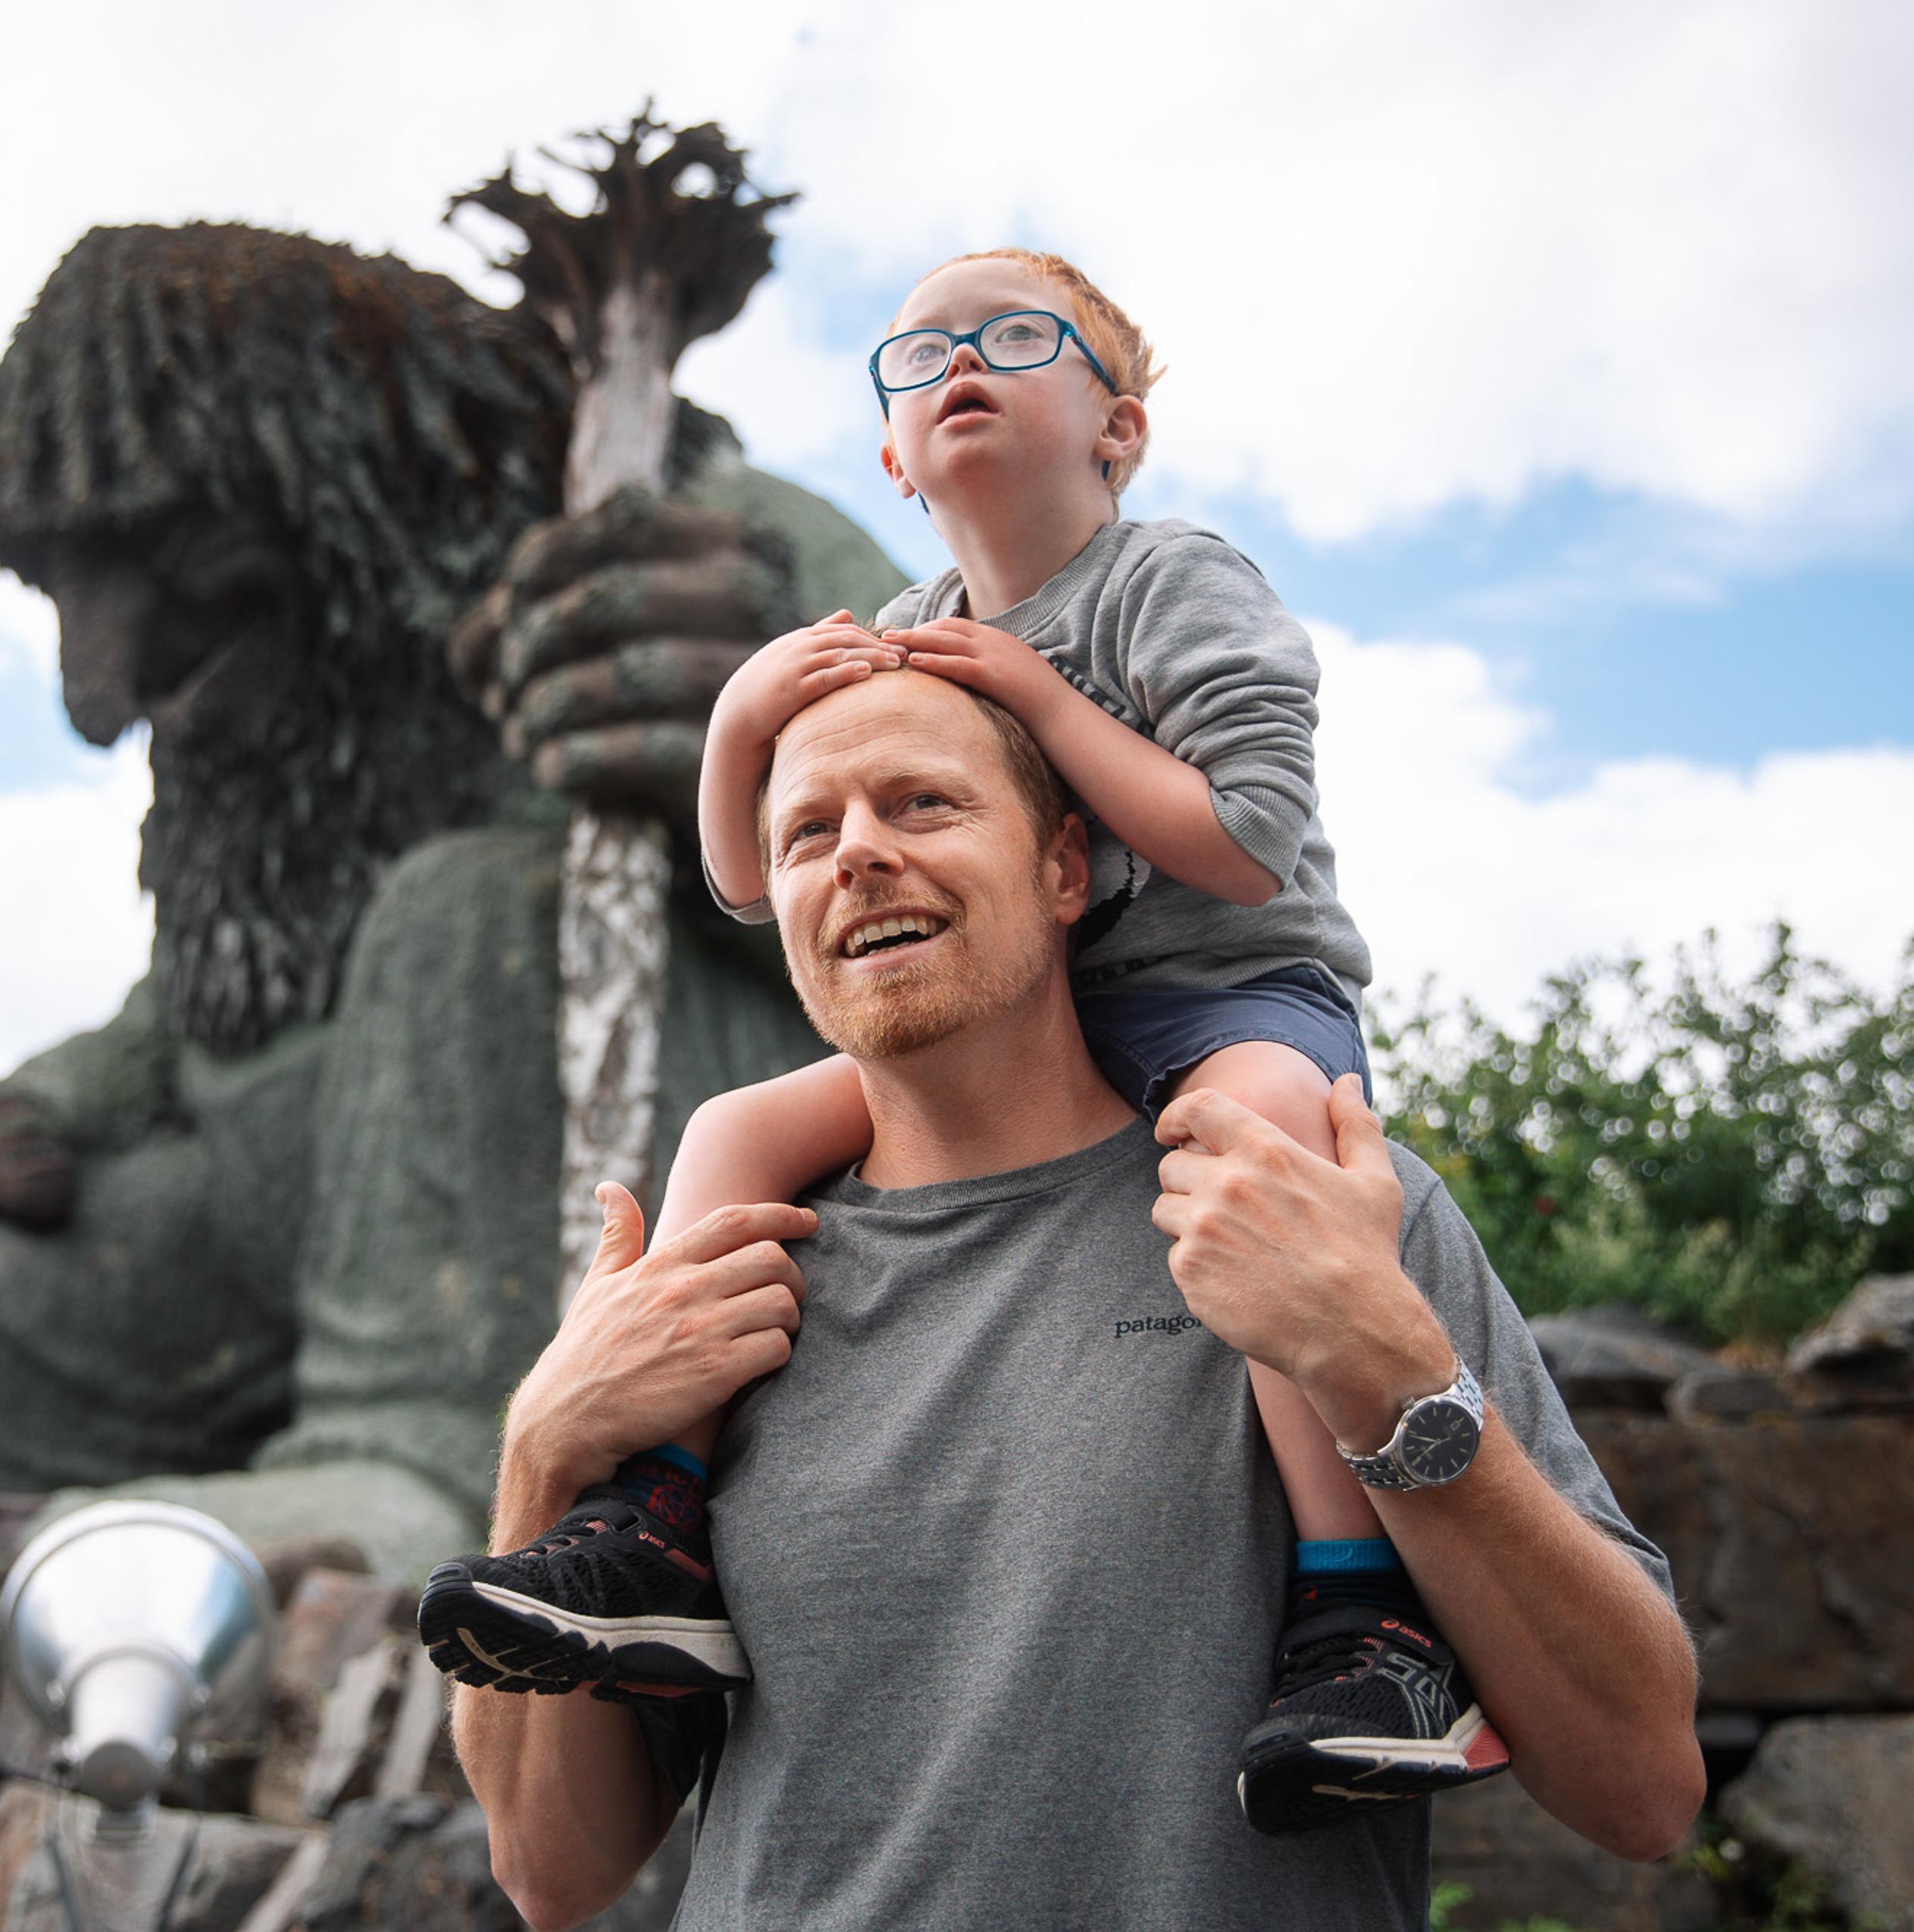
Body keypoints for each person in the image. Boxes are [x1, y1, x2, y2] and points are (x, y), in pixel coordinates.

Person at [421, 248, 1469, 1829]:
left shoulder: (1168, 582)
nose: (960, 358)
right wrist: (740, 724)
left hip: (1232, 990)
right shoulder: (913, 631)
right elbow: (745, 873)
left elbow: (1248, 841)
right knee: (729, 1132)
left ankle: (1362, 1611)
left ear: (1114, 431)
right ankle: (657, 1519)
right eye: (918, 357)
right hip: (1040, 1014)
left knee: (1255, 1166)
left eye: (1016, 337)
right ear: (899, 463)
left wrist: (1042, 710)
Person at [448, 666, 1703, 1928]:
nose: (860, 856)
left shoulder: (1312, 1213)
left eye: (923, 803)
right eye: (807, 833)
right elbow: (554, 1872)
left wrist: (1390, 1373)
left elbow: (1641, 1789)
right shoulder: (713, 1284)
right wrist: (547, 1447)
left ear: (1064, 870)